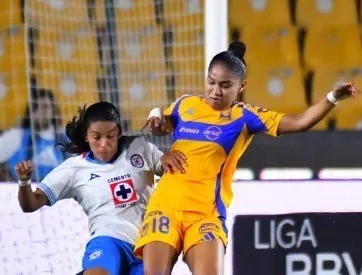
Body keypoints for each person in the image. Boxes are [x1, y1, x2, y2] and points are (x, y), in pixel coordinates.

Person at [134, 41, 360, 275]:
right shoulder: (185, 104)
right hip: (165, 205)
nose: (215, 91)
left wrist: (332, 98)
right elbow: (161, 125)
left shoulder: (245, 116)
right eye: (211, 82)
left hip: (206, 213)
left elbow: (300, 122)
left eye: (225, 85)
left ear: (241, 85)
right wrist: (156, 115)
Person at [15, 102, 187, 275]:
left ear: (118, 132)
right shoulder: (74, 168)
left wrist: (170, 157)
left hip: (146, 244)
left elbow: (171, 170)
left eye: (110, 136)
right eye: (96, 137)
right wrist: (24, 182)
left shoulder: (139, 147)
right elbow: (30, 204)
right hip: (107, 239)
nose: (104, 144)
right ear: (86, 136)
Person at [0, 88, 64, 181]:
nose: (40, 112)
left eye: (45, 106)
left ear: (53, 110)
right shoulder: (17, 135)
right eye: (36, 107)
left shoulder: (63, 139)